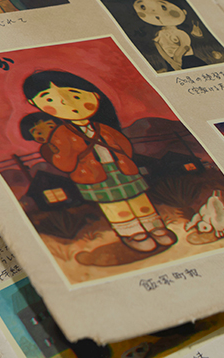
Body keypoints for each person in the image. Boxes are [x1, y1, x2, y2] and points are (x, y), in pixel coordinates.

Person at [21, 71, 176, 254]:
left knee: (139, 199)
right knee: (114, 206)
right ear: (35, 104)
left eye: (76, 96)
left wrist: (123, 160)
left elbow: (124, 145)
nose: (66, 103)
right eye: (49, 100)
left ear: (95, 96)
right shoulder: (61, 134)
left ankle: (155, 227)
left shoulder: (103, 127)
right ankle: (133, 233)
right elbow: (65, 163)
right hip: (92, 175)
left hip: (121, 169)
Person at [132, 0, 207, 71]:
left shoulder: (179, 32)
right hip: (170, 61)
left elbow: (185, 46)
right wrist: (170, 61)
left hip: (187, 59)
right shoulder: (159, 34)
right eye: (143, 7)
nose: (154, 12)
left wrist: (177, 57)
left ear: (183, 12)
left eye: (163, 7)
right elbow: (159, 48)